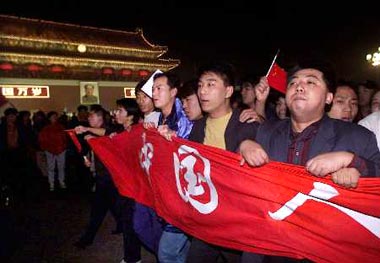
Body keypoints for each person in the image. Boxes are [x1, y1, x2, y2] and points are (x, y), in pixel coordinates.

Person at [239, 59, 380, 261]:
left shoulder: (357, 137)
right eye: (293, 83)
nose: (299, 87)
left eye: (311, 82)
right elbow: (238, 180)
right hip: (269, 248)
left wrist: (353, 163)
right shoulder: (266, 131)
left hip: (326, 252)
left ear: (329, 97)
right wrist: (243, 147)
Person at [186, 62, 262, 263]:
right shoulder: (198, 128)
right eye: (201, 85)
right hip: (207, 216)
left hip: (237, 219)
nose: (202, 91)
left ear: (228, 90)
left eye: (211, 85)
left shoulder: (246, 123)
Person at [73, 104, 121, 249]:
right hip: (101, 175)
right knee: (113, 205)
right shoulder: (91, 133)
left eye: (92, 116)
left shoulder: (111, 129)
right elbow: (84, 151)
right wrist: (86, 158)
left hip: (109, 176)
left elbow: (108, 133)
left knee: (98, 209)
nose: (89, 119)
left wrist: (87, 130)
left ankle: (88, 238)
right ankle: (122, 225)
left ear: (100, 118)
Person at [112, 98, 142, 263]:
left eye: (120, 110)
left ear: (130, 116)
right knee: (127, 222)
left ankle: (133, 258)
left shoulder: (137, 132)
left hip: (134, 188)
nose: (116, 113)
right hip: (124, 186)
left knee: (131, 223)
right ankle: (131, 256)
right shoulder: (122, 133)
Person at [38, 111, 68, 191]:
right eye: (53, 116)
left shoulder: (61, 127)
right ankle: (51, 183)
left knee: (61, 167)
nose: (55, 118)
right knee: (51, 167)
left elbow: (65, 138)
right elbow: (42, 139)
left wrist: (64, 147)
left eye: (55, 116)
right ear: (49, 118)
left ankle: (61, 182)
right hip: (50, 150)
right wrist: (46, 148)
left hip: (60, 149)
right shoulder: (46, 128)